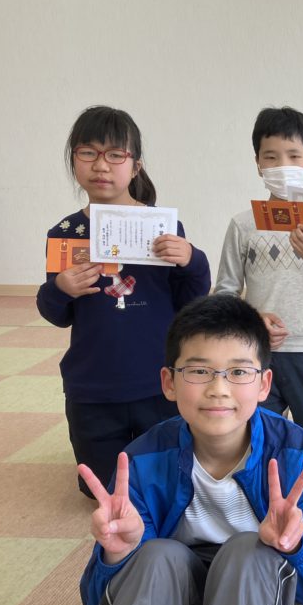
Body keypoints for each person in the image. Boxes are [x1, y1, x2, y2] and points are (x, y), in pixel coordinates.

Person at [74, 294, 303, 605]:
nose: (218, 388)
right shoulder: (142, 459)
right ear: (169, 382)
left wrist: (295, 547)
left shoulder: (296, 454)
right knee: (157, 556)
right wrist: (119, 557)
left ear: (264, 384)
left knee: (249, 552)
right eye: (199, 371)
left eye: (238, 372)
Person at [36, 105, 210, 495]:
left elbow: (192, 302)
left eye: (115, 154)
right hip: (92, 386)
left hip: (158, 381)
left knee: (169, 482)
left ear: (135, 167)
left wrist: (192, 259)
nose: (101, 165)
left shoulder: (162, 227)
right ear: (74, 161)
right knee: (100, 489)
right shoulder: (66, 233)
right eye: (88, 153)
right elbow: (57, 314)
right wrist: (59, 288)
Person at [216, 106, 303, 476]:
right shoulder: (243, 225)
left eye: (294, 156)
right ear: (258, 164)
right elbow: (224, 294)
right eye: (271, 157)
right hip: (258, 355)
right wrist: (252, 321)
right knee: (251, 459)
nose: (283, 166)